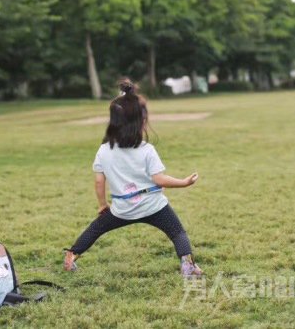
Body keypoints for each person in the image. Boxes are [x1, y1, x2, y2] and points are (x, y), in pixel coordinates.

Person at [63, 79, 202, 277]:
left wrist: (103, 204)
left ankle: (71, 255)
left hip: (122, 209)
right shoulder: (147, 150)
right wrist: (185, 182)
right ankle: (188, 265)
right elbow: (159, 180)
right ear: (141, 121)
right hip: (154, 206)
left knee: (96, 228)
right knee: (177, 232)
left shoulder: (104, 151)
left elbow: (99, 181)